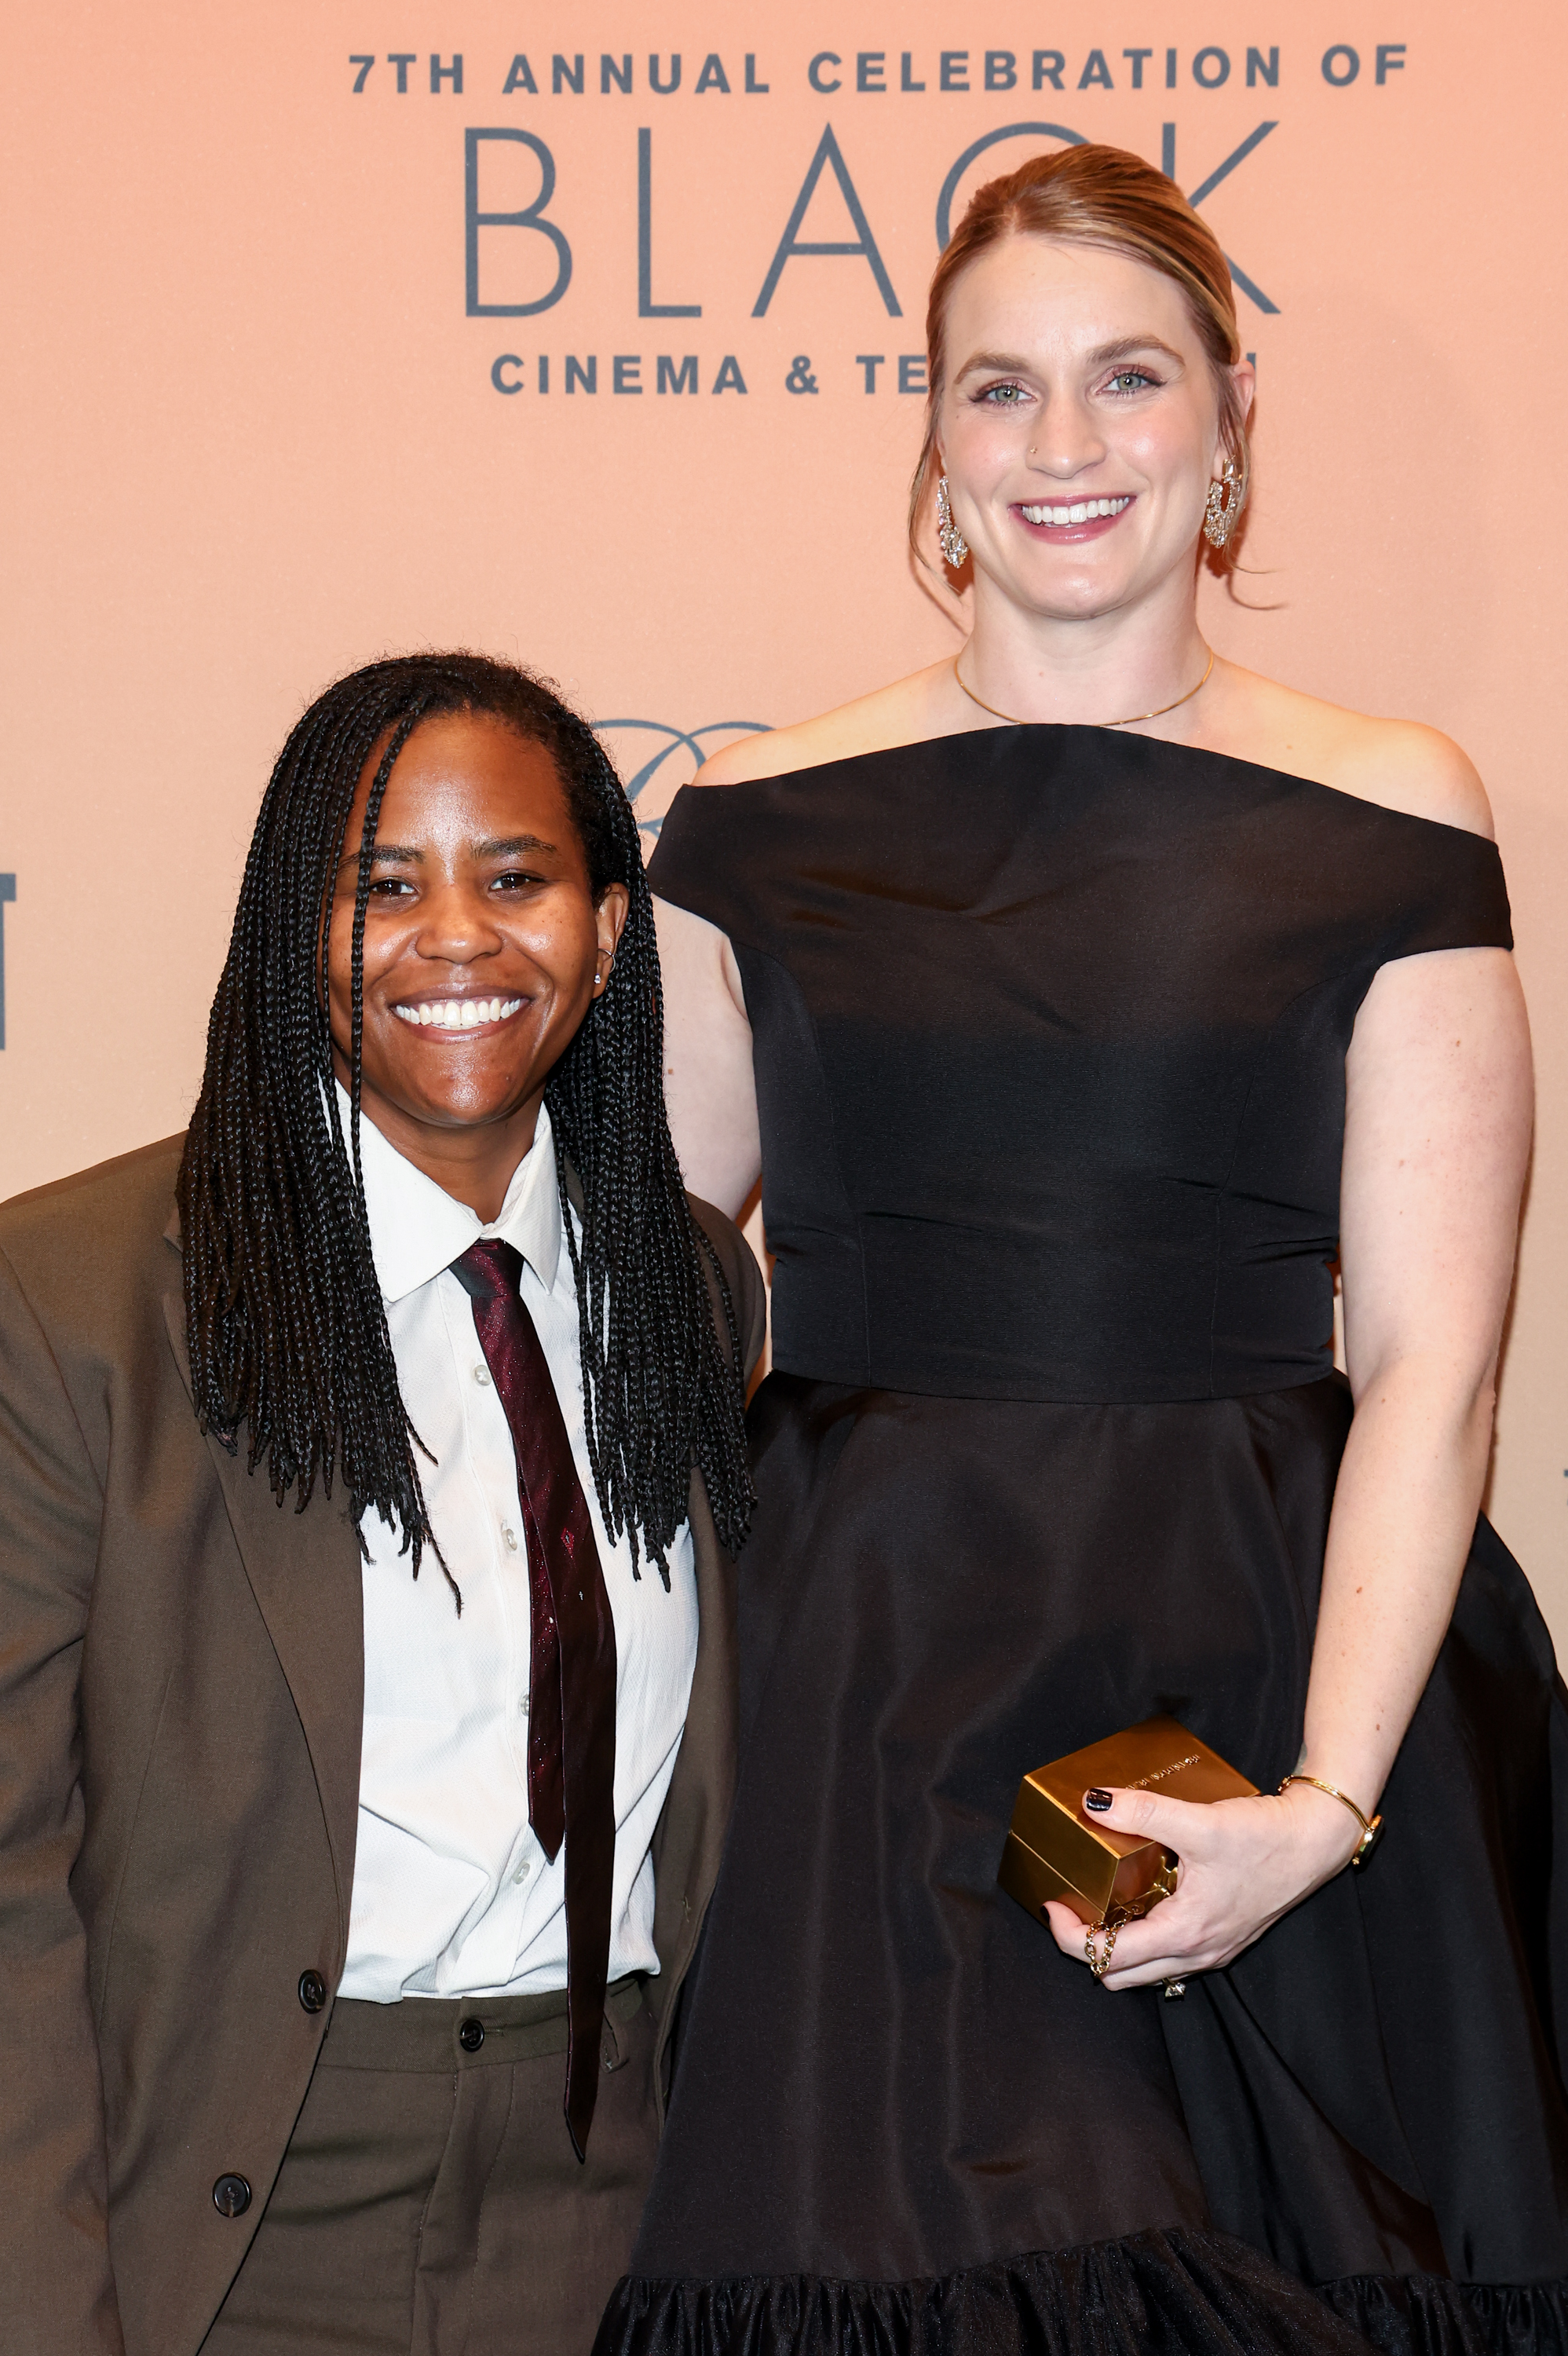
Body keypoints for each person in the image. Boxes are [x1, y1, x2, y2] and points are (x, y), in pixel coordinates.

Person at [594, 147, 1568, 2356]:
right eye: (998, 388)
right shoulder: (752, 821)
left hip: (1266, 1655)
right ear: (929, 441)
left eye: (1127, 379)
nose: (1064, 447)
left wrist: (1323, 1808)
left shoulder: (1398, 806)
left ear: (1230, 421)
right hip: (869, 1681)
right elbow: (635, 1279)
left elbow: (1434, 1361)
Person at [0, 652, 765, 2356]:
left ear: (610, 927)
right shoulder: (74, 1306)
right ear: (295, 934)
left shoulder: (689, 1295)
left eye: (515, 878)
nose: (459, 939)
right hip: (247, 2212)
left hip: (632, 2208)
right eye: (383, 887)